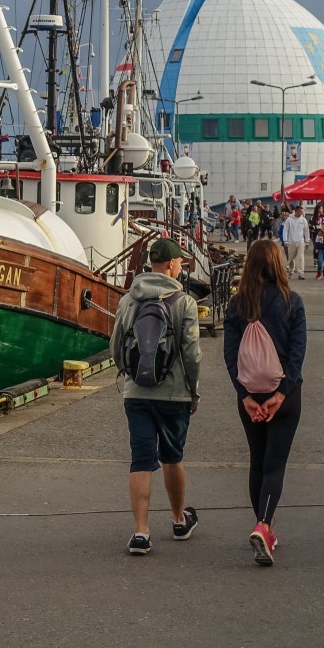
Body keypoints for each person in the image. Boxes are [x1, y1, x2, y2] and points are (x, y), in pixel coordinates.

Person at [110, 237, 202, 556]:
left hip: (137, 393)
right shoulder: (184, 302)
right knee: (172, 457)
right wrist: (194, 391)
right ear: (171, 265)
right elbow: (192, 354)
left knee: (141, 459)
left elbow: (115, 344)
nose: (180, 267)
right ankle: (178, 521)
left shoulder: (129, 299)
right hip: (174, 394)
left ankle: (141, 532)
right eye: (180, 263)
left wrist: (130, 374)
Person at [223, 240, 307, 566]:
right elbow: (297, 355)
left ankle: (264, 526)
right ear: (278, 264)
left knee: (257, 461)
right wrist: (282, 393)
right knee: (275, 465)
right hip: (284, 395)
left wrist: (243, 396)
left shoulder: (236, 305)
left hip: (251, 395)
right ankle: (264, 526)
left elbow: (231, 356)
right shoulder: (292, 302)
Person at [282, 204, 310, 279]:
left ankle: (301, 274)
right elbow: (285, 230)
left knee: (301, 258)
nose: (301, 213)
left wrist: (307, 241)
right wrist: (285, 241)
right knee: (291, 258)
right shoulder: (289, 219)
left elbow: (306, 231)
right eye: (300, 212)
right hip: (291, 242)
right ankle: (291, 271)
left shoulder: (303, 220)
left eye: (302, 212)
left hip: (301, 242)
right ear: (296, 211)